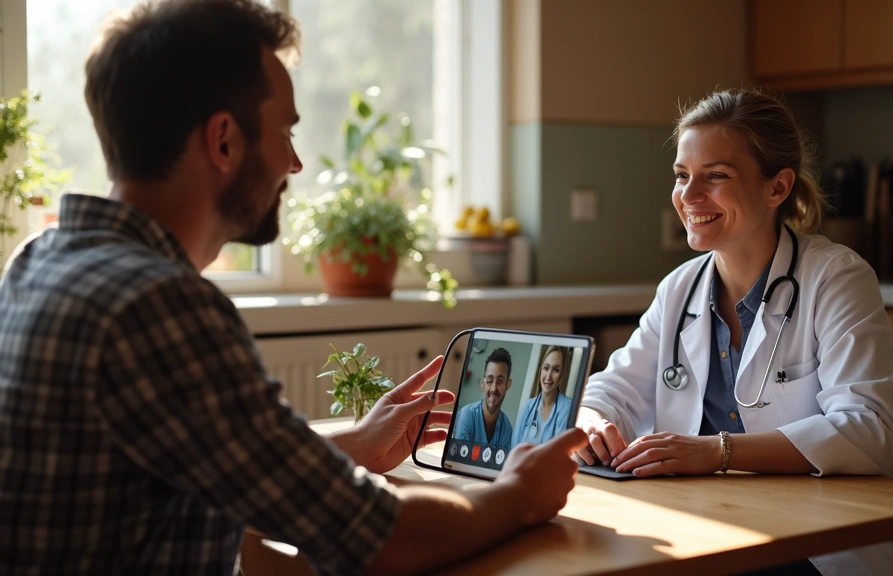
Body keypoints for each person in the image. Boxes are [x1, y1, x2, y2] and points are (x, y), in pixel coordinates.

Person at [0, 1, 588, 575]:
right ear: (224, 141)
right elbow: (380, 540)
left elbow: (200, 469)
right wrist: (519, 494)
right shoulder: (158, 304)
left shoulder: (38, 261)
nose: (295, 162)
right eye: (284, 131)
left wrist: (349, 448)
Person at [574, 89, 893, 575]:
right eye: (682, 176)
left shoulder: (835, 277)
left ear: (777, 188)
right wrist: (590, 419)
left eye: (716, 176)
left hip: (819, 548)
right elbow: (613, 387)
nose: (689, 196)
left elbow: (873, 430)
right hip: (712, 532)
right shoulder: (680, 287)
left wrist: (716, 452)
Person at [452, 347, 515, 451]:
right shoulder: (466, 415)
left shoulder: (506, 428)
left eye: (500, 381)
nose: (494, 389)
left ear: (508, 384)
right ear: (483, 384)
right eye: (490, 381)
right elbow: (459, 462)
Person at [511, 345, 573, 446]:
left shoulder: (568, 408)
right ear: (540, 370)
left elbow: (559, 452)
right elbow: (513, 450)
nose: (548, 377)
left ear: (562, 374)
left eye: (556, 370)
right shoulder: (527, 407)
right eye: (546, 368)